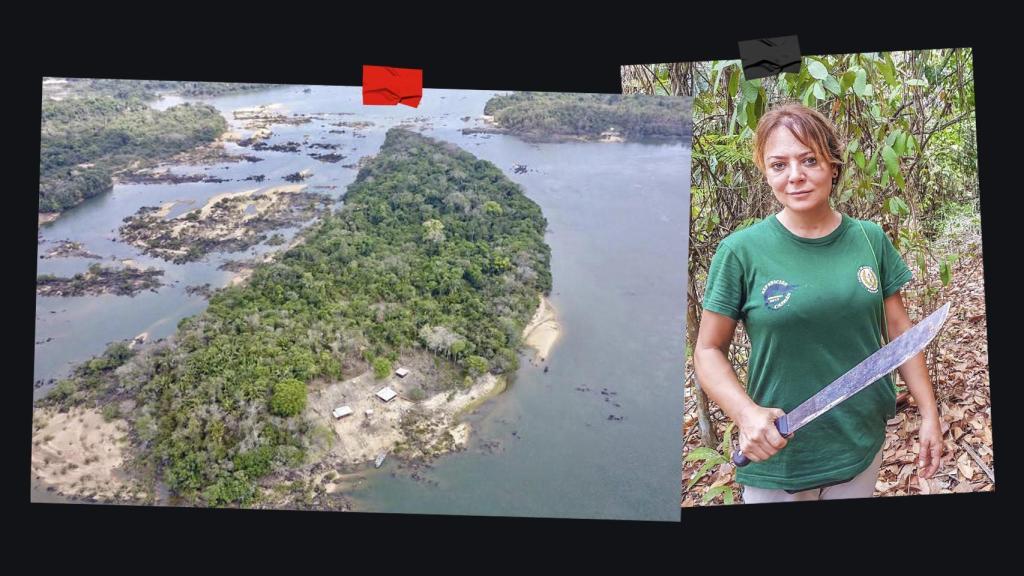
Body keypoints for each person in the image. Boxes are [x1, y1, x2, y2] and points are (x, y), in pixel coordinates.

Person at [692, 102, 943, 503]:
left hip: (860, 442)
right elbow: (707, 349)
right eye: (778, 165)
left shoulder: (869, 238)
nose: (795, 176)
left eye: (809, 160)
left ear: (833, 165)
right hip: (780, 453)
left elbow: (900, 333)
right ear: (766, 173)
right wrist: (745, 414)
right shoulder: (740, 251)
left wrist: (930, 413)